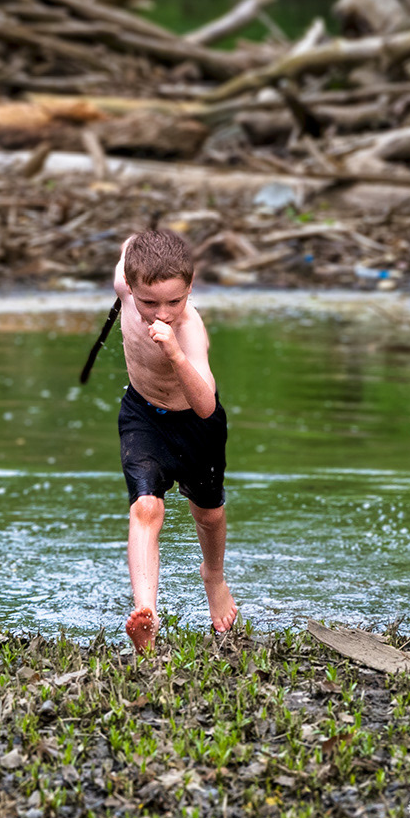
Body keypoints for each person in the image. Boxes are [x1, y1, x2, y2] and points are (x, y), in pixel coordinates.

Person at [111, 229, 236, 653]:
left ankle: (213, 577)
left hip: (195, 422)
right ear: (130, 288)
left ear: (190, 288)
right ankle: (146, 612)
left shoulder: (189, 329)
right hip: (142, 414)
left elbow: (205, 405)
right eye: (149, 303)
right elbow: (128, 252)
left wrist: (176, 355)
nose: (162, 313)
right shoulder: (124, 289)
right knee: (145, 506)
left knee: (209, 514)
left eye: (174, 301)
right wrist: (135, 242)